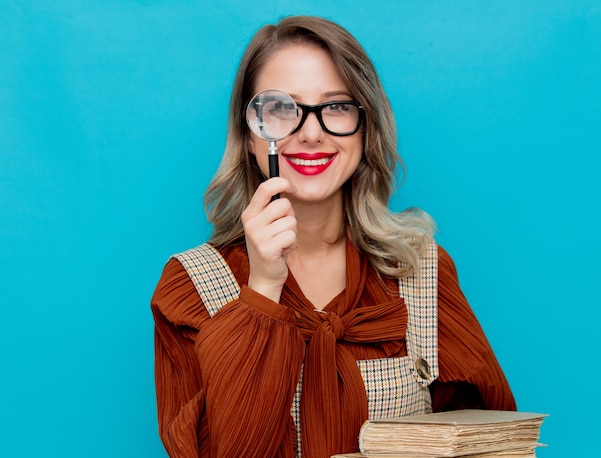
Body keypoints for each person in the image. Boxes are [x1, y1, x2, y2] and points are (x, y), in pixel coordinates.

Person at [151, 15, 516, 458]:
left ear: (366, 128)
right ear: (250, 134)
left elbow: (484, 440)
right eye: (281, 108)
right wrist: (264, 289)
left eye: (337, 106)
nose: (310, 132)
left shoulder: (421, 273)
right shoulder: (190, 287)